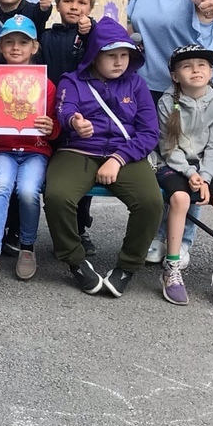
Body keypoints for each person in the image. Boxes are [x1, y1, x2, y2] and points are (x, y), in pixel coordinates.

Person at [128, 0, 213, 267]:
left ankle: (179, 240)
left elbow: (206, 27)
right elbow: (131, 31)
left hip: (192, 90)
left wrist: (205, 8)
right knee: (157, 165)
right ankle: (155, 232)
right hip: (147, 86)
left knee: (191, 162)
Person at [44, 18, 162, 297]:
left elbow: (150, 132)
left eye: (124, 55)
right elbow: (65, 109)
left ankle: (127, 266)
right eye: (111, 55)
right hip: (78, 150)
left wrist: (119, 158)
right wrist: (75, 122)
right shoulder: (72, 80)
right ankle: (75, 260)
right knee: (57, 196)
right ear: (95, 55)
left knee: (151, 202)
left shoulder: (136, 84)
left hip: (126, 153)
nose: (119, 62)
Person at [0, 15, 57, 280]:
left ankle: (27, 247)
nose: (16, 47)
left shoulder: (46, 84)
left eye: (23, 42)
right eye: (9, 42)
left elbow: (56, 124)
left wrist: (52, 128)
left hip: (35, 151)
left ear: (35, 47)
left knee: (29, 191)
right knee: (1, 186)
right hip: (2, 150)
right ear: (0, 47)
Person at [154, 44, 213, 307]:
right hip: (174, 164)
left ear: (211, 72)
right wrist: (191, 173)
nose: (195, 70)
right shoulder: (167, 102)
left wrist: (205, 177)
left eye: (202, 65)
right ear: (175, 76)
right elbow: (168, 148)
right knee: (180, 199)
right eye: (187, 66)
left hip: (210, 167)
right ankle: (172, 266)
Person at [38, 0, 98, 254]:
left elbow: (104, 44)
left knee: (81, 174)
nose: (75, 6)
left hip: (82, 116)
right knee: (52, 176)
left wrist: (90, 30)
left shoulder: (91, 36)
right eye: (68, 1)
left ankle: (81, 227)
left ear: (90, 8)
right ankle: (58, 230)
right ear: (58, 5)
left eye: (82, 2)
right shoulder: (46, 37)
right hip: (49, 113)